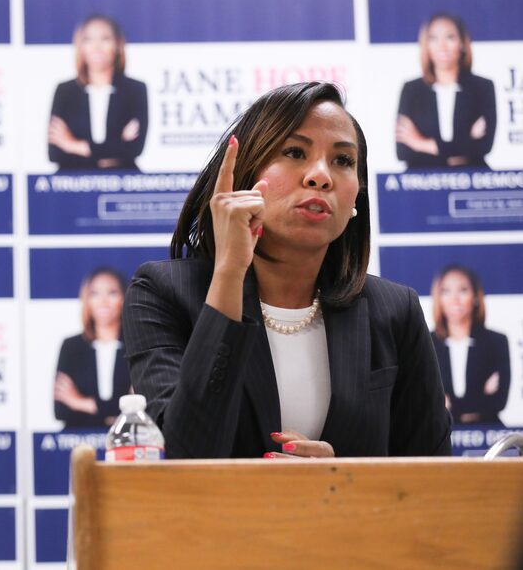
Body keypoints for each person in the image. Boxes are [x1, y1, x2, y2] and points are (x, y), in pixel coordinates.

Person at [123, 82, 452, 459]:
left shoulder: (395, 311)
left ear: (357, 197)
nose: (321, 176)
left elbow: (433, 480)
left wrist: (344, 482)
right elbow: (188, 453)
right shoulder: (162, 293)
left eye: (343, 160)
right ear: (247, 174)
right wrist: (230, 270)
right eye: (295, 152)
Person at [396, 13, 495, 169]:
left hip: (470, 178)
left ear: (462, 43)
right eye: (433, 38)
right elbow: (403, 152)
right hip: (423, 179)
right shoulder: (412, 90)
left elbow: (483, 147)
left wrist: (420, 143)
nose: (442, 46)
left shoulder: (482, 87)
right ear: (425, 45)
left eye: (450, 37)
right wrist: (465, 141)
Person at [48, 15, 147, 171]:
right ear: (80, 46)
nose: (96, 47)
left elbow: (134, 149)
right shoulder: (65, 91)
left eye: (105, 39)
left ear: (117, 45)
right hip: (74, 181)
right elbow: (55, 153)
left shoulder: (135, 90)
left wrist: (74, 145)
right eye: (88, 39)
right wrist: (115, 147)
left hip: (121, 180)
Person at [430, 265, 510, 425]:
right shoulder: (427, 342)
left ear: (475, 296)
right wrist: (481, 395)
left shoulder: (496, 342)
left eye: (463, 290)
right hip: (440, 433)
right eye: (446, 291)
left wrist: (450, 404)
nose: (454, 299)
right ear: (438, 298)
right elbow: (425, 401)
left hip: (487, 432)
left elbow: (498, 402)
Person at [54, 267, 131, 428]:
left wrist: (81, 403)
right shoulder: (72, 347)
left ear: (124, 297)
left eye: (112, 292)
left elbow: (138, 408)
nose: (103, 301)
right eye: (95, 293)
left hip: (127, 441)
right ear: (86, 300)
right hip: (79, 440)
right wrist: (112, 413)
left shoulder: (136, 345)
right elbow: (61, 410)